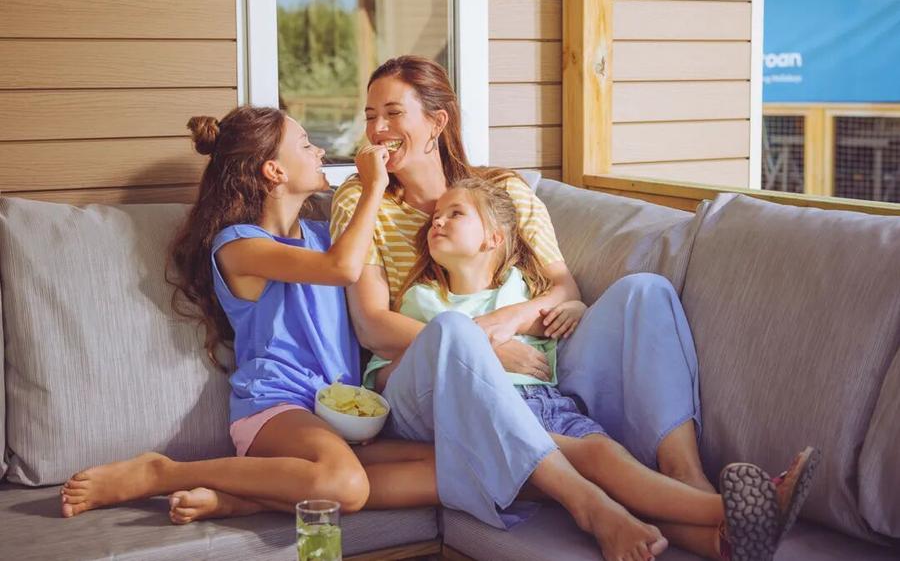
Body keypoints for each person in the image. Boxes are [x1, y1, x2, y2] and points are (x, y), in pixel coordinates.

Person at [330, 56, 820, 561]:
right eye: (370, 116)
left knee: (645, 292)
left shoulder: (504, 192)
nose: (377, 129)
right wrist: (480, 348)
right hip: (423, 380)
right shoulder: (362, 199)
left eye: (392, 113)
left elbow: (563, 288)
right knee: (457, 333)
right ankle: (636, 508)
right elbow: (372, 326)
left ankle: (693, 488)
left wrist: (505, 324)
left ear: (437, 121)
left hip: (531, 365)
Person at [377, 176, 821, 561]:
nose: (437, 221)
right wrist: (482, 348)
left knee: (646, 293)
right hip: (481, 414)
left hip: (549, 403)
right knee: (594, 457)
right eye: (435, 217)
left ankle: (719, 533)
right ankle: (739, 508)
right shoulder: (421, 300)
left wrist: (574, 309)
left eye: (454, 214)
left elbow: (562, 321)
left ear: (493, 239)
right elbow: (385, 376)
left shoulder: (522, 288)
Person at [60, 105, 437, 524]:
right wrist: (373, 186)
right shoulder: (239, 246)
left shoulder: (323, 236)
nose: (319, 151)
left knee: (444, 469)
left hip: (339, 415)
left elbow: (356, 263)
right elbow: (343, 269)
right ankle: (162, 473)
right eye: (306, 145)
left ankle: (251, 497)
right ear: (275, 171)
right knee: (346, 485)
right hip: (277, 407)